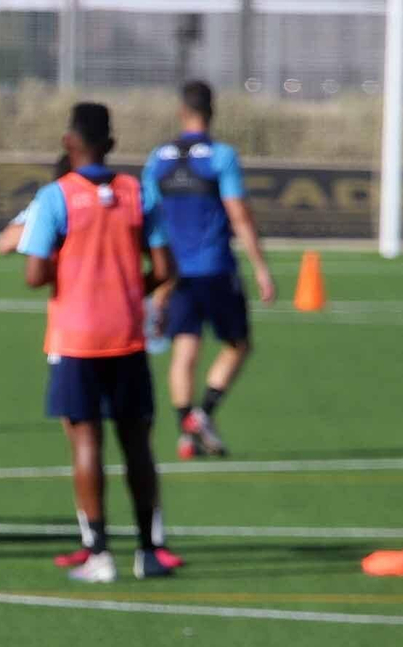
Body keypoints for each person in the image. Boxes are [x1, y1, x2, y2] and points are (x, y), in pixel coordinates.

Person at [18, 102, 180, 583]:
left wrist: (71, 273)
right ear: (110, 143)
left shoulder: (56, 196)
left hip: (76, 337)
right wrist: (130, 290)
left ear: (69, 142)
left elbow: (34, 273)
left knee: (86, 442)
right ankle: (149, 551)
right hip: (127, 336)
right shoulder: (137, 190)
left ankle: (98, 553)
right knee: (137, 444)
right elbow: (166, 268)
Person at [142, 80, 275, 461]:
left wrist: (155, 274)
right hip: (215, 267)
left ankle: (187, 430)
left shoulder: (159, 159)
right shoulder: (221, 156)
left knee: (185, 349)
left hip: (176, 272)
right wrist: (261, 268)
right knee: (238, 344)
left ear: (182, 112)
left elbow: (147, 215)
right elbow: (239, 213)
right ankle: (201, 416)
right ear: (211, 111)